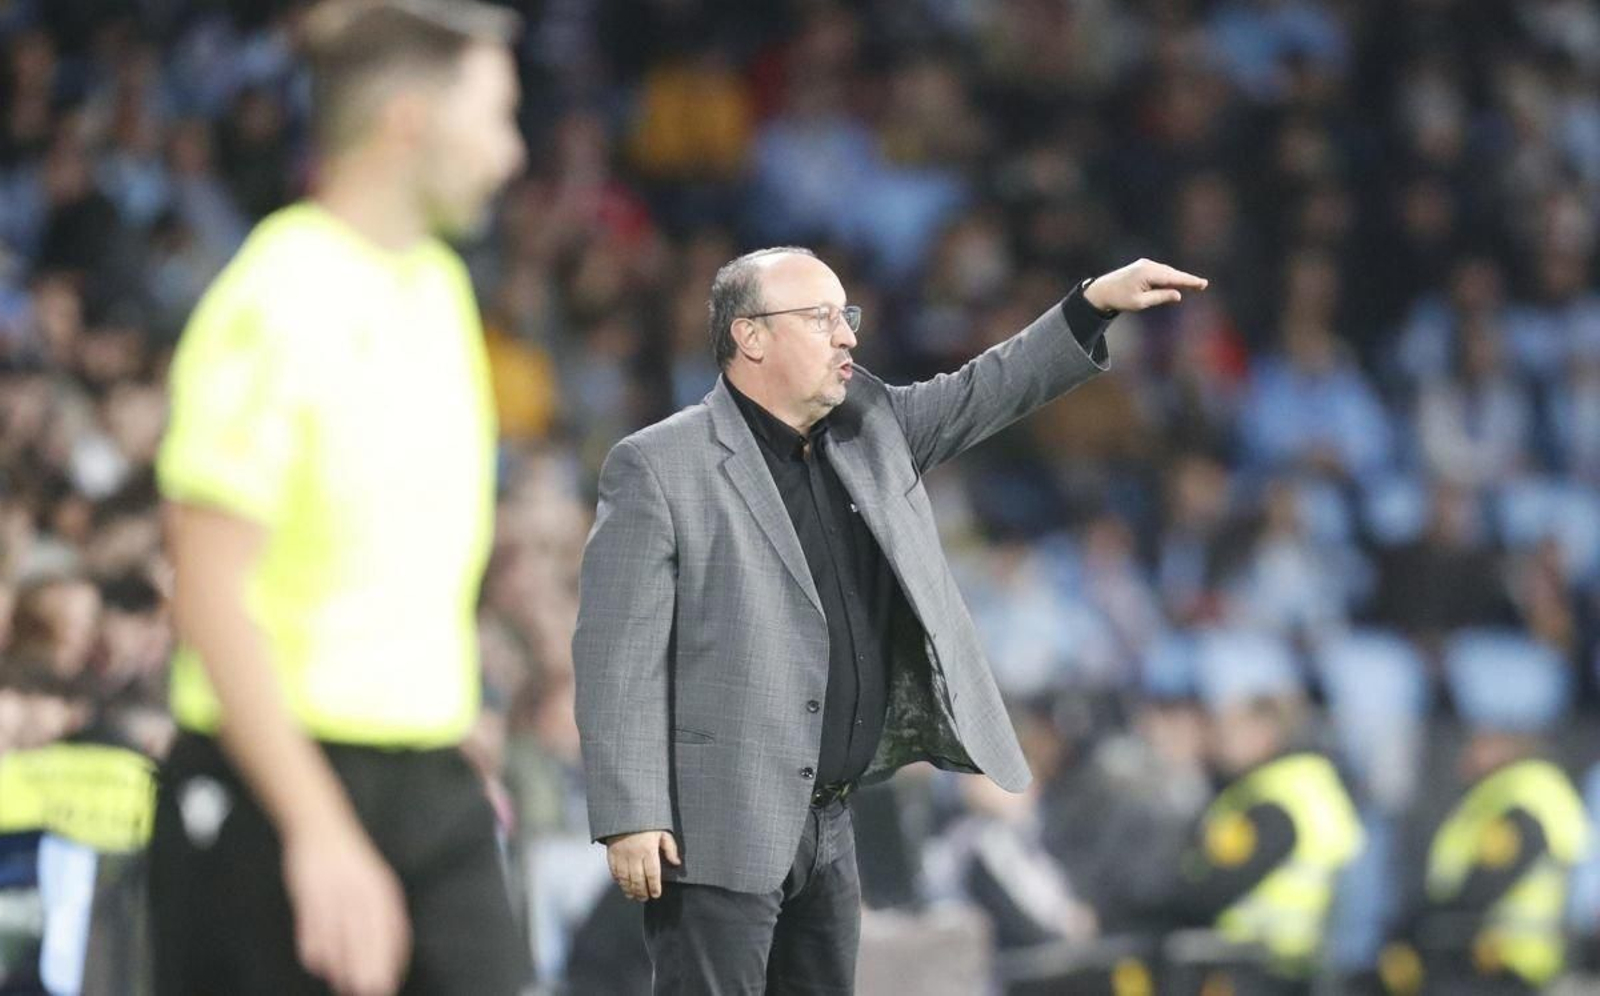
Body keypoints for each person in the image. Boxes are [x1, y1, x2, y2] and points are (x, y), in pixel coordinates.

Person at [572, 246, 1207, 993]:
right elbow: (616, 652)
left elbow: (986, 389)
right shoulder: (660, 465)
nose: (847, 335)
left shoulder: (871, 426)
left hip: (832, 821)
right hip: (717, 819)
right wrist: (631, 812)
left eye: (849, 316)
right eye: (822, 318)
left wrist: (1090, 305)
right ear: (751, 336)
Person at [148, 3, 528, 994]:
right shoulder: (275, 297)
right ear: (409, 120)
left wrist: (447, 732)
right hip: (275, 789)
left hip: (428, 777)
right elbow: (206, 590)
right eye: (494, 118)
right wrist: (316, 828)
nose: (511, 153)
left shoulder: (440, 286)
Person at [1135, 631, 1363, 995]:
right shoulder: (1309, 783)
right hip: (1298, 968)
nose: (1220, 736)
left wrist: (1145, 913)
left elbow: (1212, 887)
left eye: (1231, 724)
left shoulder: (1271, 801)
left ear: (1263, 731)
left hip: (1257, 969)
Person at [1380, 635, 1589, 996]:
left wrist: (1414, 932)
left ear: (1503, 738)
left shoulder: (1523, 796)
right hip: (1482, 960)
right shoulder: (1518, 790)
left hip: (1500, 967)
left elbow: (1481, 888)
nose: (1464, 747)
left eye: (1474, 735)